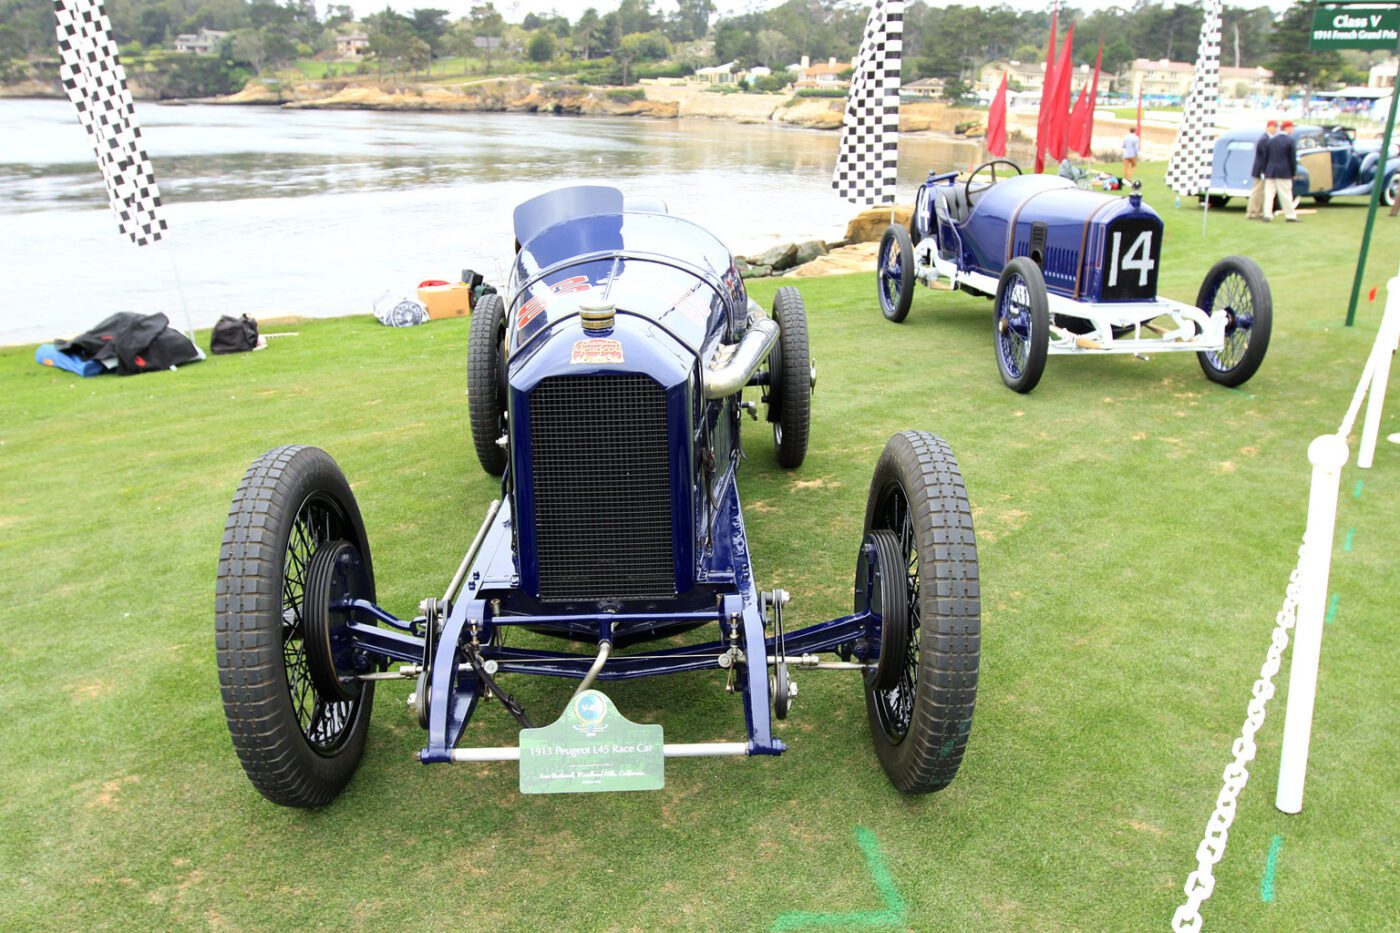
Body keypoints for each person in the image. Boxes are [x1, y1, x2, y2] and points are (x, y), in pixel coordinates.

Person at [1263, 120, 1299, 222]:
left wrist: (1265, 170)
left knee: (1269, 194)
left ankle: (1267, 214)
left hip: (1270, 170)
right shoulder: (1290, 141)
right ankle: (1290, 215)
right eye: (1291, 127)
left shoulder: (1271, 140)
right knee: (1286, 194)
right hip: (1284, 171)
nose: (1292, 130)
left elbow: (1266, 157)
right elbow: (1292, 159)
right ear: (1287, 128)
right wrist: (1293, 172)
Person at [1246, 121, 1275, 220]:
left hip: (1262, 169)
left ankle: (1258, 211)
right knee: (1257, 191)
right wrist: (1263, 170)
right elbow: (1263, 157)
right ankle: (1253, 212)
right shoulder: (1264, 139)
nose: (1275, 129)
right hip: (1260, 170)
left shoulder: (1268, 139)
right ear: (1268, 127)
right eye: (1273, 127)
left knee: (1262, 192)